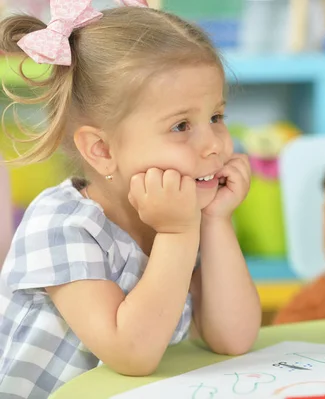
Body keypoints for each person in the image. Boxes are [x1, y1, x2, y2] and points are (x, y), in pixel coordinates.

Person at [0, 0, 262, 397]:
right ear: (102, 150)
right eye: (181, 126)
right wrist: (177, 233)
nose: (214, 145)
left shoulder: (180, 212)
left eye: (217, 117)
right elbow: (132, 353)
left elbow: (233, 338)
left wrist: (216, 221)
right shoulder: (62, 225)